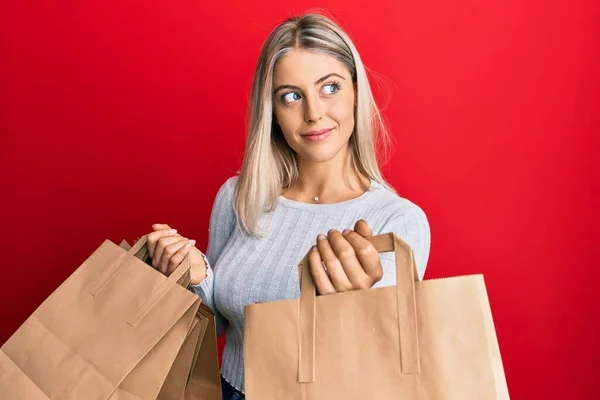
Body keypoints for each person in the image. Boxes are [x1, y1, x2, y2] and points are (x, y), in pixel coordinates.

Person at [144, 12, 431, 400]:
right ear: (273, 112)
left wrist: (361, 302)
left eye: (329, 88)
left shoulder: (397, 220)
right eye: (291, 96)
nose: (313, 112)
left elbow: (386, 357)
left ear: (357, 92)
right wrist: (193, 276)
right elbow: (214, 328)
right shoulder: (239, 197)